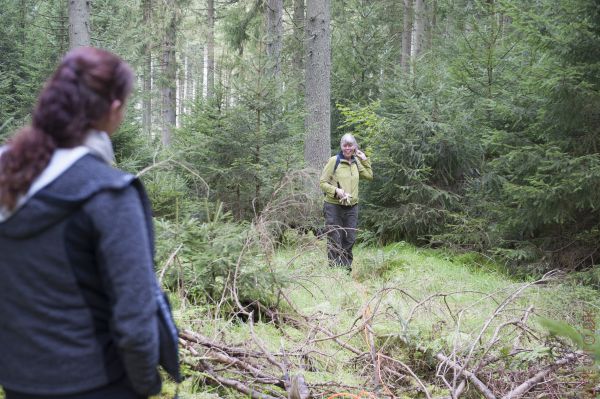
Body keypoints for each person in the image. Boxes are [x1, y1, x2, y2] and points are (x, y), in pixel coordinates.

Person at [0, 48, 179, 399]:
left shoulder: (9, 179)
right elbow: (135, 318)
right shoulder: (109, 194)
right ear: (113, 110)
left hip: (19, 381)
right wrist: (144, 385)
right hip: (100, 383)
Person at [320, 133, 373, 270]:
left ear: (355, 147)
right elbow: (322, 183)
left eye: (350, 145)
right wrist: (336, 191)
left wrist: (364, 160)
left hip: (351, 207)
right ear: (341, 146)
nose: (347, 148)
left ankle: (346, 270)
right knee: (335, 238)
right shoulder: (334, 161)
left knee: (349, 238)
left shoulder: (356, 162)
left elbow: (369, 176)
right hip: (333, 206)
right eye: (345, 145)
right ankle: (335, 271)